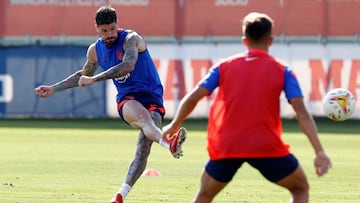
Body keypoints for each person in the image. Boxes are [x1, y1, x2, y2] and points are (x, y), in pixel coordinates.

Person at [162, 12, 331, 203]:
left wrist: (174, 125)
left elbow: (193, 97)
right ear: (270, 40)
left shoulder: (223, 67)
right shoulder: (283, 71)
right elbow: (301, 112)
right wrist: (319, 151)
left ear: (244, 40)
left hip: (228, 145)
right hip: (266, 145)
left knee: (204, 195)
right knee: (300, 188)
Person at [34, 5, 186, 203]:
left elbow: (128, 65)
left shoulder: (132, 39)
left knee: (143, 149)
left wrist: (95, 79)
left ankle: (119, 195)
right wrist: (55, 88)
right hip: (128, 99)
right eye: (105, 31)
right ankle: (170, 144)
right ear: (97, 28)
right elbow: (83, 75)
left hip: (152, 98)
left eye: (113, 29)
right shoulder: (94, 50)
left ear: (117, 25)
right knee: (143, 119)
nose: (110, 34)